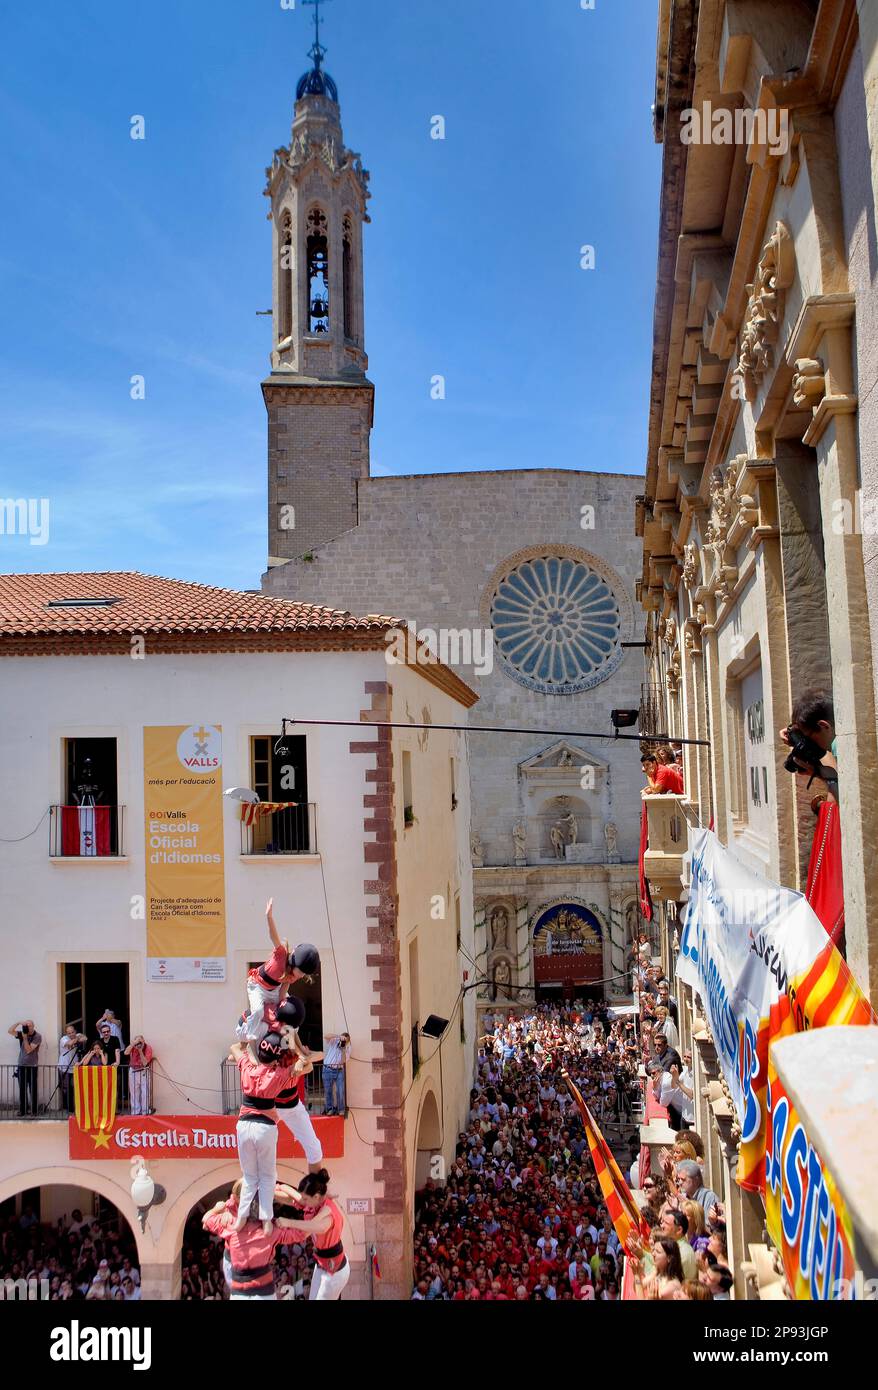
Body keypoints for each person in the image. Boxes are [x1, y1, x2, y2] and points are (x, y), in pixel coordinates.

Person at [238, 898, 320, 1045]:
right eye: (301, 972)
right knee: (258, 1012)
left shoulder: (293, 976)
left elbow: (282, 993)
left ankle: (294, 1046)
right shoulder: (281, 955)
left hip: (274, 989)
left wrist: (283, 1010)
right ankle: (248, 1042)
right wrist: (269, 917)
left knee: (292, 1014)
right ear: (293, 962)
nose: (301, 976)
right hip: (257, 986)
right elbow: (273, 936)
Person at [228, 1033, 290, 1228]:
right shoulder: (278, 1074)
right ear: (276, 1057)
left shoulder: (248, 1068)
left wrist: (247, 1037)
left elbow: (235, 1049)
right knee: (267, 1176)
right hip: (265, 1128)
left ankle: (241, 1217)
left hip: (244, 1126)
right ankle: (266, 1220)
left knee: (249, 1176)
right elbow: (301, 1065)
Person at [202, 1189, 304, 1300]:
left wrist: (217, 1209)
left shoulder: (230, 1225)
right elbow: (301, 1234)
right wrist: (293, 1220)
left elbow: (206, 1219)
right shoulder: (272, 1231)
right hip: (264, 1293)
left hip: (239, 1293)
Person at [276, 1169, 350, 1301]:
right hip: (321, 1264)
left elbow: (310, 1229)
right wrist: (275, 1188)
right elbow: (294, 1198)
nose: (302, 1200)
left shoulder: (328, 1214)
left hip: (335, 1269)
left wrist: (288, 1222)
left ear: (316, 1196)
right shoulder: (313, 1203)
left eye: (305, 1198)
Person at [8, 1020, 41, 1115]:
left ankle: (34, 1111)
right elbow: (10, 1031)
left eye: (30, 1026)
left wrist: (25, 1038)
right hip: (21, 1065)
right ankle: (23, 1110)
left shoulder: (37, 1036)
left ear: (33, 1026)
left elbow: (29, 1050)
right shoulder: (22, 1034)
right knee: (22, 1089)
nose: (28, 1027)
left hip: (32, 1065)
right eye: (26, 1026)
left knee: (33, 1089)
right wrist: (18, 1023)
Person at [58, 1024, 86, 1112]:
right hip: (64, 1066)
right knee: (65, 1088)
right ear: (66, 1034)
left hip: (74, 1067)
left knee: (74, 1087)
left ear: (75, 1031)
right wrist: (77, 1038)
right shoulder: (63, 1039)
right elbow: (69, 1043)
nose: (71, 1034)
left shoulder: (77, 1035)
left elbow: (85, 1038)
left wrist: (78, 1037)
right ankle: (67, 1108)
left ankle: (73, 1107)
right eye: (69, 1033)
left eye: (72, 1032)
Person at [124, 1034, 154, 1115]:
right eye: (137, 1041)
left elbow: (145, 1063)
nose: (139, 1043)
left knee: (145, 1092)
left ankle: (145, 1111)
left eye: (140, 1041)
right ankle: (135, 1111)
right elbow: (126, 1052)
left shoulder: (148, 1048)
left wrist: (140, 1051)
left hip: (143, 1071)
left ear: (144, 1040)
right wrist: (133, 1044)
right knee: (134, 1092)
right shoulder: (133, 1046)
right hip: (133, 1070)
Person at [322, 1032, 351, 1116]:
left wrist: (343, 1049)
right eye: (343, 1039)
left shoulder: (348, 1048)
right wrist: (338, 1036)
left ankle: (341, 1109)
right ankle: (329, 1109)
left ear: (348, 1041)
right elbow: (326, 1036)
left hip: (339, 1070)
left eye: (346, 1041)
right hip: (327, 1069)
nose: (343, 1041)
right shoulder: (335, 1040)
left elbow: (342, 1061)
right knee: (328, 1090)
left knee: (340, 1090)